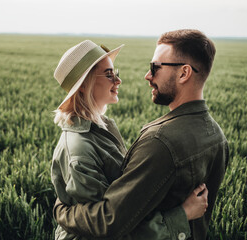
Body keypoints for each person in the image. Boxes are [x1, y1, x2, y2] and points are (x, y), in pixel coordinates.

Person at [53, 30, 229, 240]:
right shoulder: (217, 136)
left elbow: (113, 221)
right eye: (109, 74)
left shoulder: (155, 141)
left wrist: (61, 210)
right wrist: (182, 215)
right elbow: (105, 225)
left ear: (184, 73)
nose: (119, 80)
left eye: (155, 67)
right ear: (83, 87)